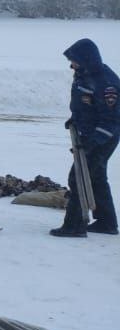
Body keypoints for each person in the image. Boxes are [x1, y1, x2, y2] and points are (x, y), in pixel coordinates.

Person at [51, 38, 118, 237]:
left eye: (74, 60)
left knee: (79, 176)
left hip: (103, 137)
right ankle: (107, 222)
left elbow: (111, 120)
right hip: (88, 134)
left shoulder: (106, 83)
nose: (71, 64)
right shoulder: (83, 75)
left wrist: (92, 142)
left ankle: (74, 225)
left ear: (86, 59)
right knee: (96, 177)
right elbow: (85, 106)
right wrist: (75, 120)